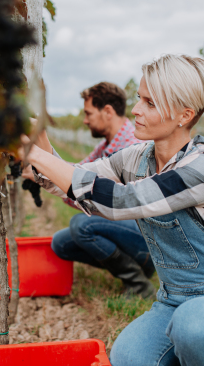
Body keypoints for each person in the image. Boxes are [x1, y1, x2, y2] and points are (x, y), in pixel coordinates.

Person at [20, 54, 204, 366]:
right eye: (139, 99)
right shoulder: (135, 159)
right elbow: (75, 178)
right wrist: (38, 138)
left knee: (195, 326)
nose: (135, 110)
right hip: (173, 301)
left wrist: (36, 154)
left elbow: (121, 201)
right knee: (128, 357)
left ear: (184, 115)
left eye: (150, 102)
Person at [51, 82, 156, 299]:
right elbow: (75, 172)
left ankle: (139, 283)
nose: (85, 120)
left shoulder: (131, 144)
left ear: (107, 111)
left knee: (81, 225)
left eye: (89, 113)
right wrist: (41, 165)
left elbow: (98, 198)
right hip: (127, 230)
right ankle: (128, 265)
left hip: (148, 240)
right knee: (61, 243)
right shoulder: (108, 144)